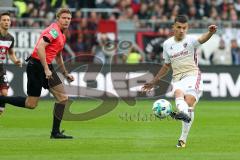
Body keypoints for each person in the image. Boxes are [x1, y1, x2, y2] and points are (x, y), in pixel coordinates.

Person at [142, 15, 217, 148]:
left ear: (187, 28)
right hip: (177, 78)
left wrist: (210, 32)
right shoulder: (167, 44)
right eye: (179, 27)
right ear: (173, 27)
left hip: (192, 75)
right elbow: (166, 65)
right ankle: (183, 114)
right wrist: (154, 81)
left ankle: (182, 138)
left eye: (184, 28)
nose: (181, 30)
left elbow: (202, 39)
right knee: (178, 94)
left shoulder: (191, 40)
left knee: (188, 102)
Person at [0, 8, 75, 139]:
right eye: (64, 18)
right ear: (58, 18)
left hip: (44, 66)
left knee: (51, 100)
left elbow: (58, 55)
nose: (67, 21)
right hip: (37, 65)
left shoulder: (62, 34)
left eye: (69, 18)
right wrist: (46, 68)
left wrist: (65, 72)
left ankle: (55, 133)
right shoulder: (53, 31)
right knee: (38, 103)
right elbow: (40, 47)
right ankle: (55, 132)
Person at [0, 12, 22, 114]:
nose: (6, 22)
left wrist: (16, 61)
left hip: (1, 68)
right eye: (4, 20)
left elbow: (11, 53)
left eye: (8, 20)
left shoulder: (10, 38)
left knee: (4, 93)